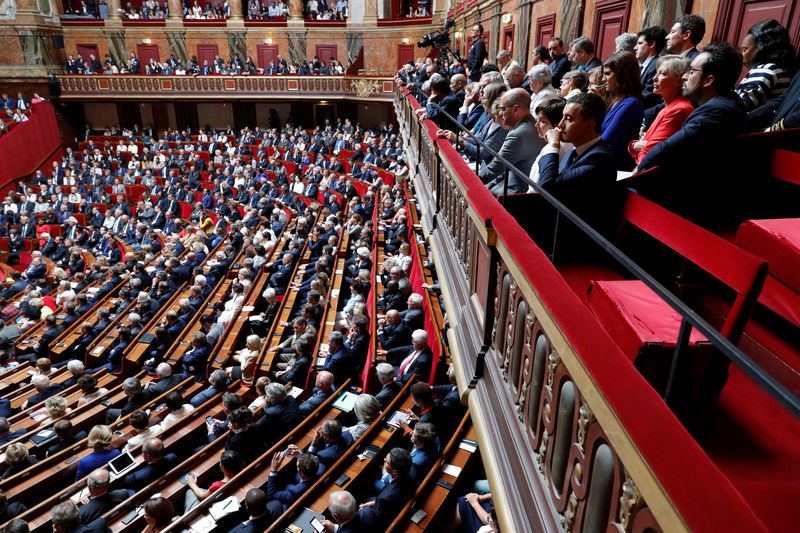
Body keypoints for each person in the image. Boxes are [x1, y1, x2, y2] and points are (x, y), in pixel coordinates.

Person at [638, 42, 747, 219]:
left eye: (691, 71)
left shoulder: (715, 111)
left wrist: (637, 172)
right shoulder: (726, 102)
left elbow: (665, 149)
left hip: (692, 205)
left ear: (708, 80)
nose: (684, 77)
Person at [537, 93, 617, 218]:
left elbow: (547, 189)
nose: (560, 125)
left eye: (568, 119)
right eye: (562, 117)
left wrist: (553, 146)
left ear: (589, 125)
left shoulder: (599, 160)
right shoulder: (576, 149)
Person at [629, 55, 694, 168]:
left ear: (679, 80)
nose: (654, 78)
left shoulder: (679, 110)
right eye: (656, 73)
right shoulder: (668, 107)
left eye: (663, 74)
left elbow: (647, 156)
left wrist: (636, 146)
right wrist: (634, 145)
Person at [478, 88, 543, 196]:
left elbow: (495, 167)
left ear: (515, 109)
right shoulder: (528, 124)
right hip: (506, 181)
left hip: (514, 192)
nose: (500, 113)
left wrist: (472, 180)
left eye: (502, 109)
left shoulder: (518, 134)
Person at [735, 19, 794, 111]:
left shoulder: (766, 69)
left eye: (745, 50)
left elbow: (742, 104)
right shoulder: (781, 69)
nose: (742, 55)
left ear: (760, 48)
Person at [599, 51, 644, 170]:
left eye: (607, 74)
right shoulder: (612, 99)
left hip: (615, 168)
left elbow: (606, 140)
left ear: (622, 75)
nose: (603, 80)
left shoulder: (631, 104)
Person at [359, 448, 415, 528]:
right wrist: (372, 503)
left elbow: (376, 519)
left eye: (387, 462)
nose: (384, 459)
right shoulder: (410, 471)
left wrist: (364, 512)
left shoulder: (385, 498)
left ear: (395, 472)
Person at [528, 97, 570, 188]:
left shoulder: (555, 148)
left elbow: (536, 184)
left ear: (557, 125)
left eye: (542, 121)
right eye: (537, 120)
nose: (536, 124)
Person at [635, 26, 668, 109]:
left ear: (652, 44)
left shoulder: (657, 66)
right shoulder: (642, 66)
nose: (635, 48)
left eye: (640, 43)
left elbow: (648, 98)